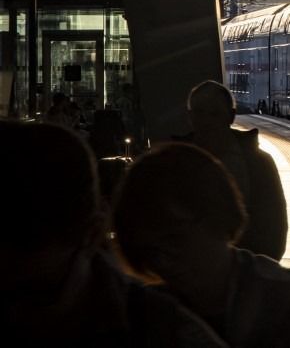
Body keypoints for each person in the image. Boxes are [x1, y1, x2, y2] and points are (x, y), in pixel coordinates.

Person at [0, 121, 226, 346]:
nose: (15, 312)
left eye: (36, 292)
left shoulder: (167, 334)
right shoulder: (165, 331)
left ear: (93, 234)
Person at [112, 143, 290, 347]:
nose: (163, 262)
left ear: (216, 215)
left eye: (175, 239)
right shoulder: (141, 318)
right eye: (150, 251)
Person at [184, 80, 287, 260]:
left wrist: (253, 269)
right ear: (190, 116)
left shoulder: (259, 163)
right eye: (200, 112)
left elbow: (274, 226)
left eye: (214, 113)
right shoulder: (173, 161)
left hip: (245, 275)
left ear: (231, 116)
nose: (206, 121)